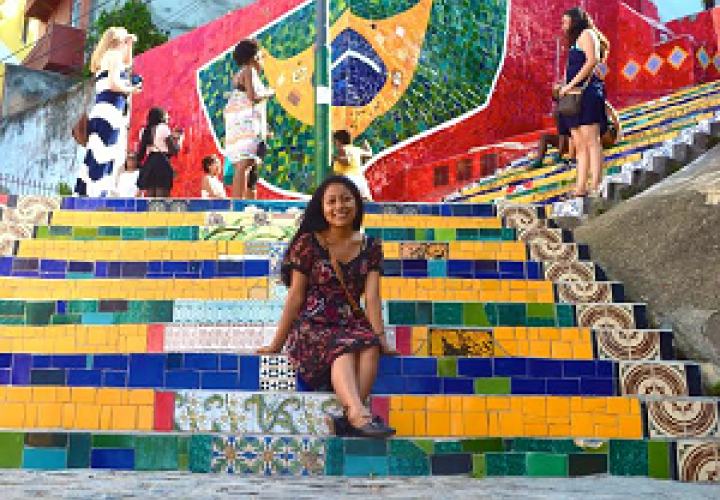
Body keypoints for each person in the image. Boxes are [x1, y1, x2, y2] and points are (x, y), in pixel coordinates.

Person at [257, 175, 396, 439]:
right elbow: (295, 296)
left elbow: (373, 298)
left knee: (369, 346)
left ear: (357, 203)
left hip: (349, 323)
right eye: (331, 201)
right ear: (321, 207)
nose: (339, 206)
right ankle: (358, 415)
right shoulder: (308, 244)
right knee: (342, 348)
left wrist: (382, 340)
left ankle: (351, 418)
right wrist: (277, 344)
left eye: (346, 199)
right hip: (311, 325)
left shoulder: (371, 246)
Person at [74, 27, 141, 197]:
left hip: (103, 110)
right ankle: (96, 194)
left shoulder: (109, 57)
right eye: (124, 41)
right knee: (104, 153)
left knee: (97, 152)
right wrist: (131, 89)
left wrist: (130, 43)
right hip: (110, 111)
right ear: (118, 41)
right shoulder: (113, 56)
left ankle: (86, 193)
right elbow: (113, 84)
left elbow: (128, 63)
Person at [558, 7, 610, 199]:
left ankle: (596, 184)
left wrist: (570, 83)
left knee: (591, 141)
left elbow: (592, 61)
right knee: (579, 145)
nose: (563, 26)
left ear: (575, 21)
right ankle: (580, 187)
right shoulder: (573, 43)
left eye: (565, 22)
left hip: (586, 94)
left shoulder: (587, 34)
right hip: (572, 98)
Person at [224, 39, 275, 199]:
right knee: (245, 164)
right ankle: (238, 204)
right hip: (245, 124)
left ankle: (239, 202)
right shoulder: (249, 71)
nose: (262, 59)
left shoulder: (239, 74)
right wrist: (269, 92)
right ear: (254, 56)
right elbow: (253, 97)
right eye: (260, 55)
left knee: (244, 164)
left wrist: (264, 128)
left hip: (237, 122)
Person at [137, 107, 184, 198]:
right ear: (161, 116)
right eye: (166, 115)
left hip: (150, 163)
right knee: (162, 199)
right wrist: (179, 140)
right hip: (162, 164)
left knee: (150, 198)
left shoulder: (145, 130)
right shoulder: (163, 128)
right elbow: (174, 150)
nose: (168, 117)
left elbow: (142, 151)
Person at [332, 130, 373, 200]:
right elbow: (369, 154)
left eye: (335, 142)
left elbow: (347, 161)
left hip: (348, 179)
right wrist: (367, 146)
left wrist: (336, 158)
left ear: (339, 141)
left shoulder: (343, 149)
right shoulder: (356, 149)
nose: (334, 144)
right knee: (368, 200)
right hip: (360, 179)